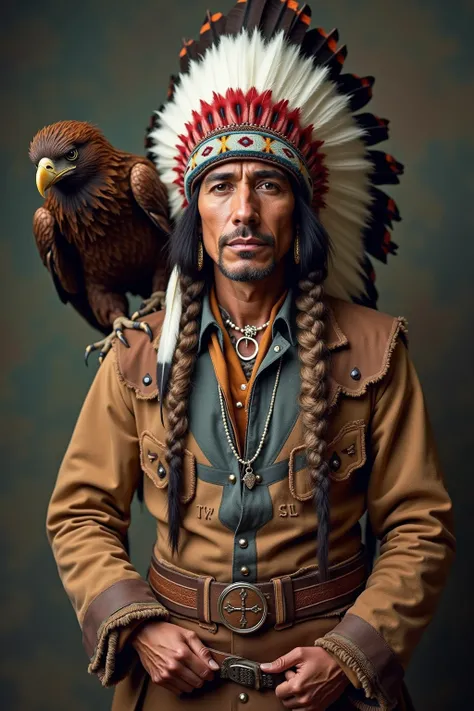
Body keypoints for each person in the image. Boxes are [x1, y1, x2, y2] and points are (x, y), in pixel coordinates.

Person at [46, 2, 455, 709]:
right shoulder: (140, 352)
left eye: (267, 185)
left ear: (298, 211)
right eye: (220, 187)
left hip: (328, 688)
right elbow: (79, 512)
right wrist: (138, 626)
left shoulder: (374, 350)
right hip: (173, 684)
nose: (243, 212)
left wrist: (349, 650)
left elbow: (420, 527)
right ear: (193, 212)